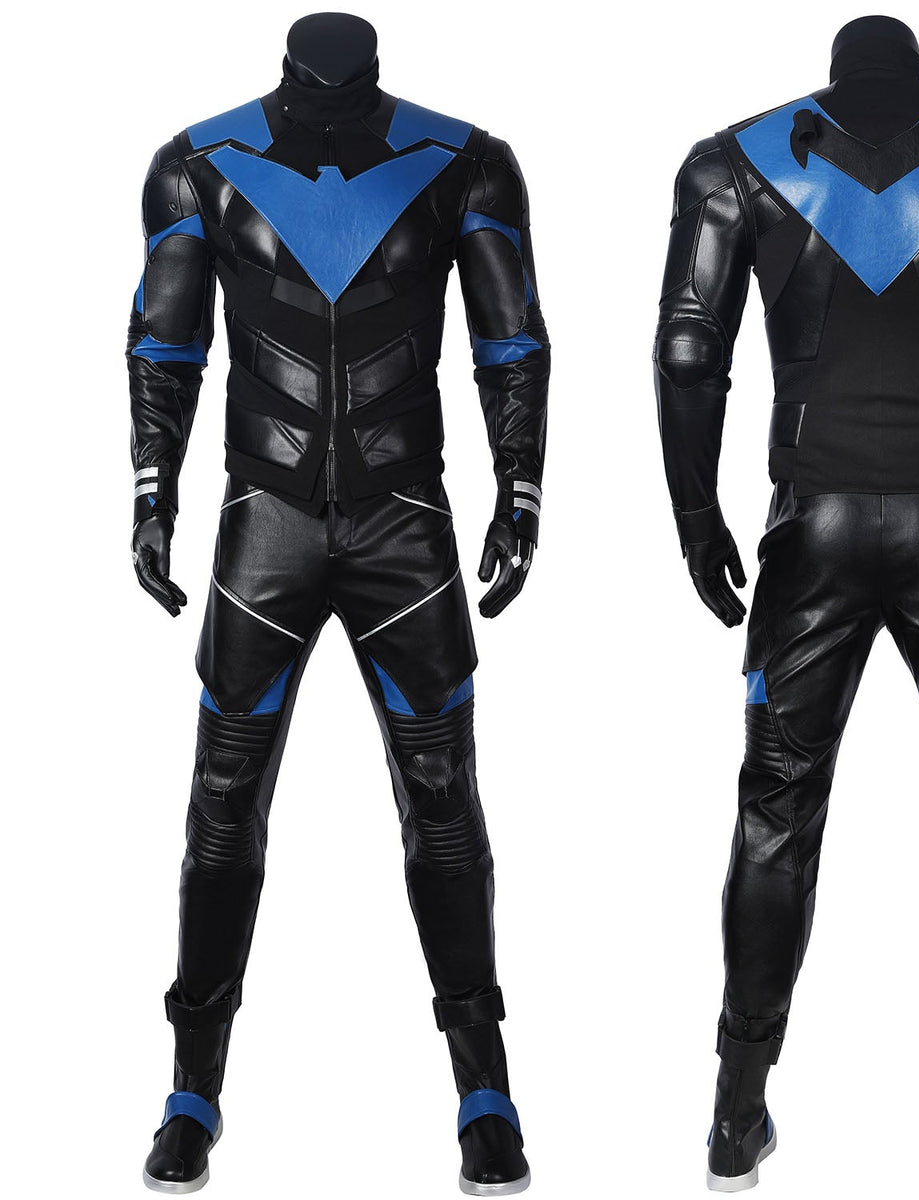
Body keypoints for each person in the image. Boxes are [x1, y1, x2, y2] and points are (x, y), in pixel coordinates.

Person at [653, 14, 919, 1195]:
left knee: (775, 812)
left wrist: (696, 518)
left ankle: (733, 1119)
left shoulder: (734, 164)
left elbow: (689, 350)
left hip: (810, 531)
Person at [129, 13, 546, 1194]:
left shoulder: (466, 161)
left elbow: (512, 342)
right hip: (264, 522)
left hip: (403, 523)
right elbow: (165, 345)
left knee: (443, 804)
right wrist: (152, 493)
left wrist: (521, 491)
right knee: (224, 809)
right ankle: (191, 1092)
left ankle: (485, 1094)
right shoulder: (197, 164)